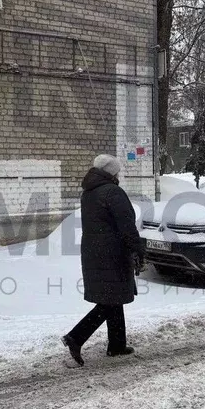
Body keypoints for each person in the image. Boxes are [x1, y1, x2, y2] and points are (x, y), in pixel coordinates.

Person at [62, 153, 144, 366]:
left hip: (94, 252)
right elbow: (126, 226)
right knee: (110, 301)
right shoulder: (113, 193)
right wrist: (138, 249)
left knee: (112, 298)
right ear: (112, 172)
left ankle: (117, 345)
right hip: (113, 253)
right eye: (117, 171)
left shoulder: (89, 192)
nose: (119, 174)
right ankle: (75, 337)